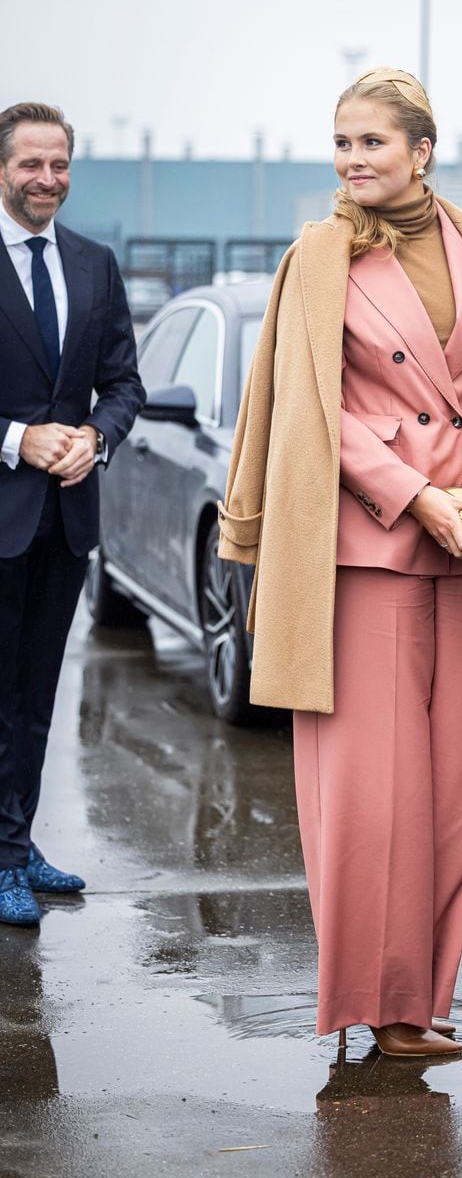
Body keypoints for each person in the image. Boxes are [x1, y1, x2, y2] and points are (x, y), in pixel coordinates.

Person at [218, 67, 462, 1058]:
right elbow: (316, 416)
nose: (350, 161)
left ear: (421, 149)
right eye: (340, 144)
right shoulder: (319, 256)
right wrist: (417, 497)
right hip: (368, 551)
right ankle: (379, 1007)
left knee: (456, 795)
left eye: (369, 143)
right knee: (373, 799)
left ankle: (423, 996)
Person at [0, 103, 145, 927]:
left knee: (38, 694)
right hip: (3, 510)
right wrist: (22, 438)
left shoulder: (94, 265)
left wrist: (97, 435)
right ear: (2, 170)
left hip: (66, 519)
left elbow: (125, 384)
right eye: (31, 165)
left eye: (58, 165)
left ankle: (17, 844)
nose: (47, 180)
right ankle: (4, 855)